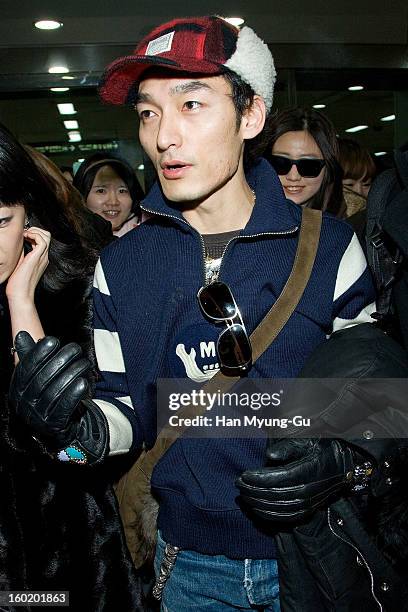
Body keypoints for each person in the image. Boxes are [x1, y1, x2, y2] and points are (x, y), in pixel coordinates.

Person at [9, 16, 377, 611]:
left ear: (250, 116)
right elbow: (126, 410)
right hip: (188, 566)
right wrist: (68, 433)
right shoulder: (122, 266)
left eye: (192, 105)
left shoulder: (332, 247)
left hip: (314, 555)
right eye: (149, 112)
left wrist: (341, 454)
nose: (163, 138)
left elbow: (374, 395)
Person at [0, 123, 142, 611]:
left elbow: (82, 457)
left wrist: (22, 303)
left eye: (1, 221)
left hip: (66, 565)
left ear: (29, 221)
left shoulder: (73, 295)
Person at [266, 106, 345, 216]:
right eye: (281, 163)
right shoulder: (242, 223)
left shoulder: (346, 229)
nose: (293, 177)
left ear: (328, 169)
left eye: (309, 166)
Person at [73, 153, 145, 236]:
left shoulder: (149, 237)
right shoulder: (67, 242)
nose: (113, 202)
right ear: (81, 195)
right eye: (101, 191)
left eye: (122, 191)